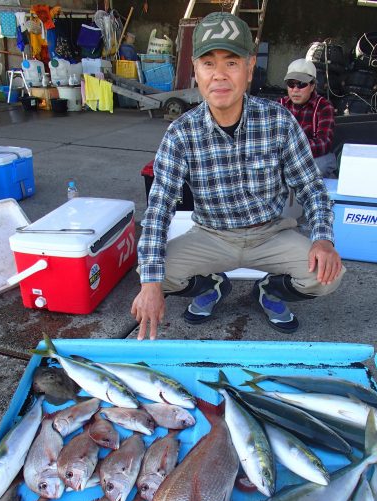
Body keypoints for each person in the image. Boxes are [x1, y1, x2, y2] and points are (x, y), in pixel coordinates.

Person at [131, 12, 345, 341]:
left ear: (248, 69)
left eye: (231, 63)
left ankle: (269, 292)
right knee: (155, 273)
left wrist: (323, 239)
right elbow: (159, 210)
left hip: (270, 234)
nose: (219, 76)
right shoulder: (180, 134)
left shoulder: (279, 121)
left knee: (328, 276)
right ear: (195, 70)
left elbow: (312, 190)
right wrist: (150, 285)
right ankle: (214, 285)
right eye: (208, 63)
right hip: (211, 236)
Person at [279, 58, 337, 178]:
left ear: (312, 86)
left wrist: (293, 149)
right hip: (283, 158)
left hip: (312, 158)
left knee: (321, 165)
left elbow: (324, 143)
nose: (295, 90)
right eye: (291, 84)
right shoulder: (279, 105)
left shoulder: (324, 106)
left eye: (301, 84)